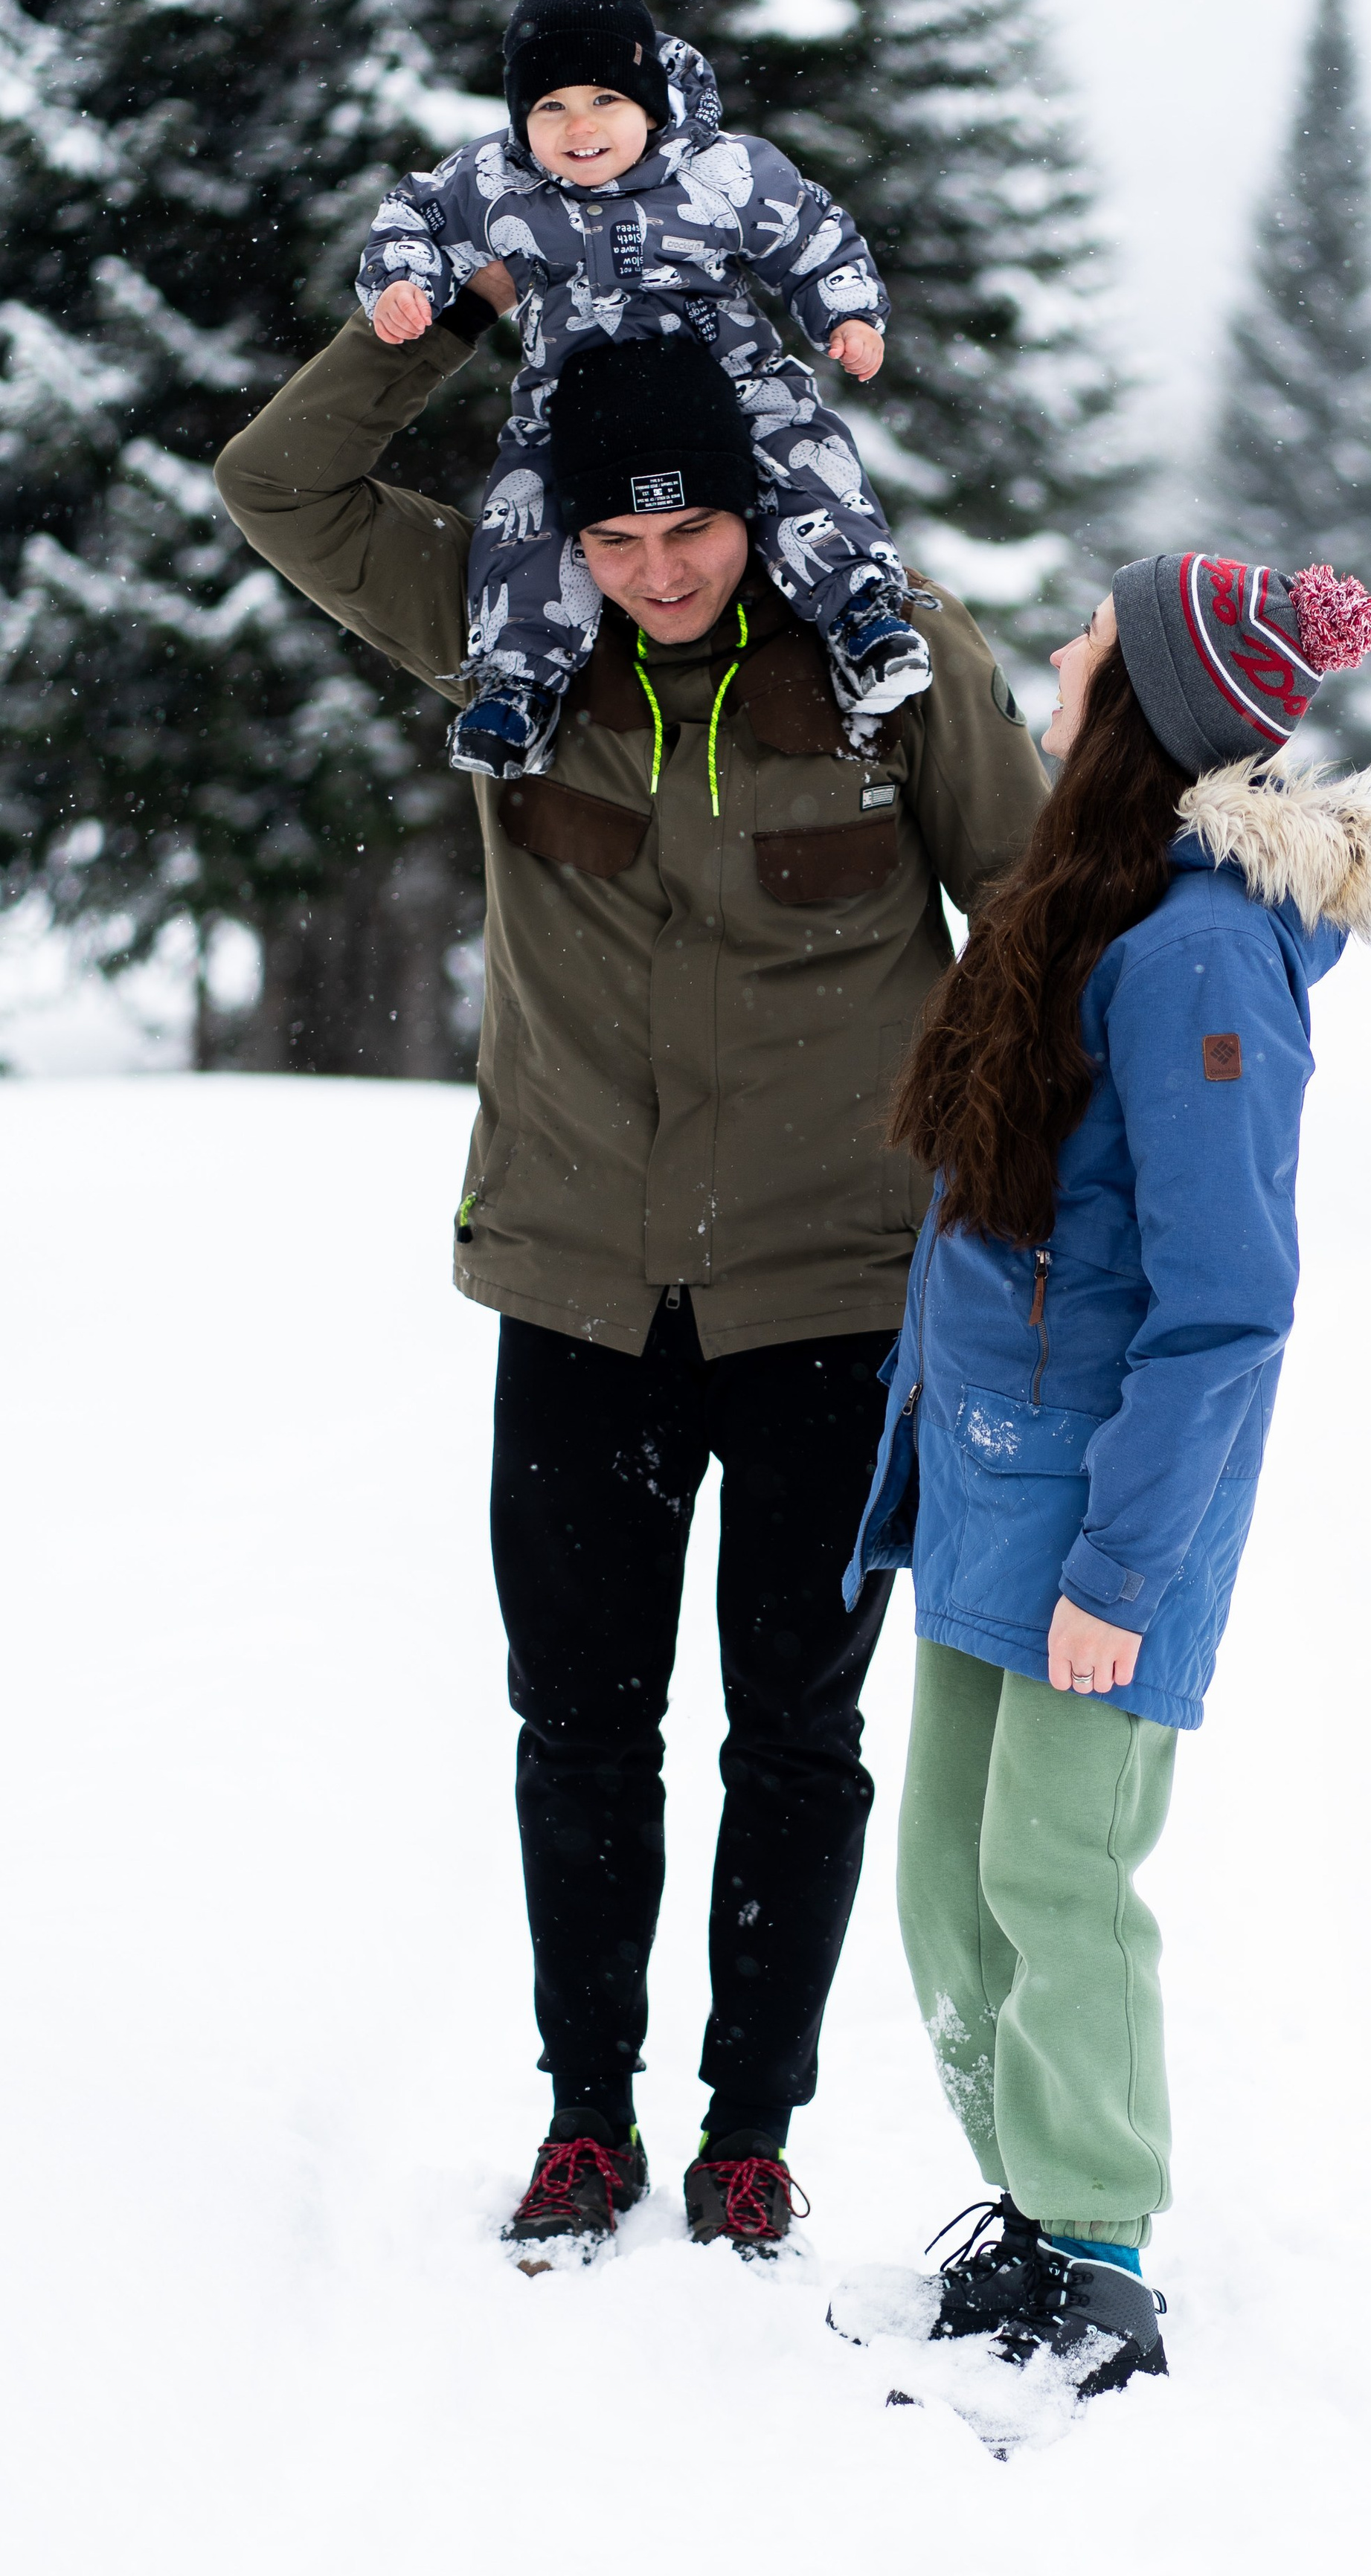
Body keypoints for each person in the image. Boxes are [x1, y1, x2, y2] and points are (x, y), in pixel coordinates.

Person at [213, 268, 1048, 2255]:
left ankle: (749, 2125)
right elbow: (280, 482)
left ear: (756, 505)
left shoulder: (889, 660)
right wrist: (449, 319)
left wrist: (1050, 1224)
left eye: (690, 528)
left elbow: (1028, 939)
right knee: (578, 1719)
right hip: (580, 1287)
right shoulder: (509, 632)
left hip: (836, 1296)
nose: (658, 572)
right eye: (615, 535)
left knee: (796, 1729)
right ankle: (589, 2115)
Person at [837, 550, 1371, 2392]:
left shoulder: (1197, 953)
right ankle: (1027, 2213)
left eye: (1082, 651)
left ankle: (1099, 2263)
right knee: (946, 1876)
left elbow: (1225, 1301)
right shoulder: (1085, 904)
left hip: (1103, 1514)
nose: (1058, 673)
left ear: (1141, 703)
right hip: (997, 1472)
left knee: (1054, 1875)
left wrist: (1122, 1570)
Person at [356, 0, 925, 779]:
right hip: (571, 390)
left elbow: (814, 235)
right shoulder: (499, 182)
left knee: (797, 456)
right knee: (529, 509)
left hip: (724, 370)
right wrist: (404, 279)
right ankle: (518, 681)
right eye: (549, 107)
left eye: (603, 102)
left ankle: (860, 610)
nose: (578, 129)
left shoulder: (723, 172)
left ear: (648, 105)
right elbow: (414, 213)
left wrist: (846, 312)